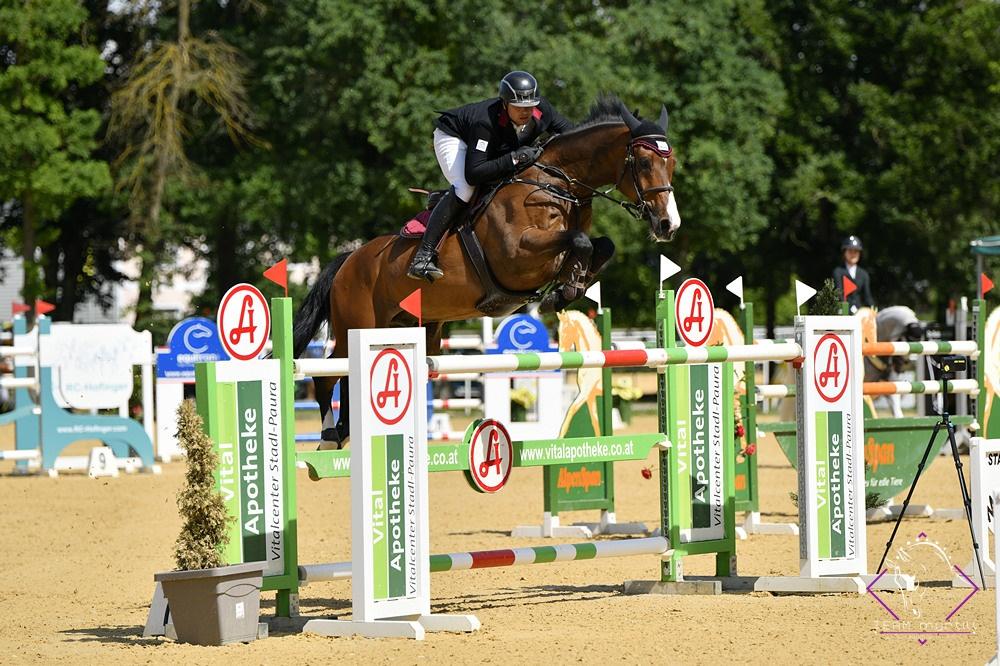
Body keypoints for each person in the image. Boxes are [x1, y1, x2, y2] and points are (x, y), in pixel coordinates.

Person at [407, 70, 574, 282]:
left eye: (529, 106)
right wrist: (514, 158)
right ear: (504, 104)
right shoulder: (485, 122)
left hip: (491, 146)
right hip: (455, 138)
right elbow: (474, 173)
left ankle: (444, 201)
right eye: (519, 107)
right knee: (465, 188)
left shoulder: (542, 110)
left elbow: (572, 134)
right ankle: (423, 256)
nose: (526, 112)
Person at [833, 235, 874, 313]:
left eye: (856, 251)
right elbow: (839, 294)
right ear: (845, 252)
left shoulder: (863, 274)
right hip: (843, 310)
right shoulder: (838, 271)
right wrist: (847, 311)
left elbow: (867, 296)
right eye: (850, 251)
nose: (853, 254)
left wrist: (873, 310)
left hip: (859, 311)